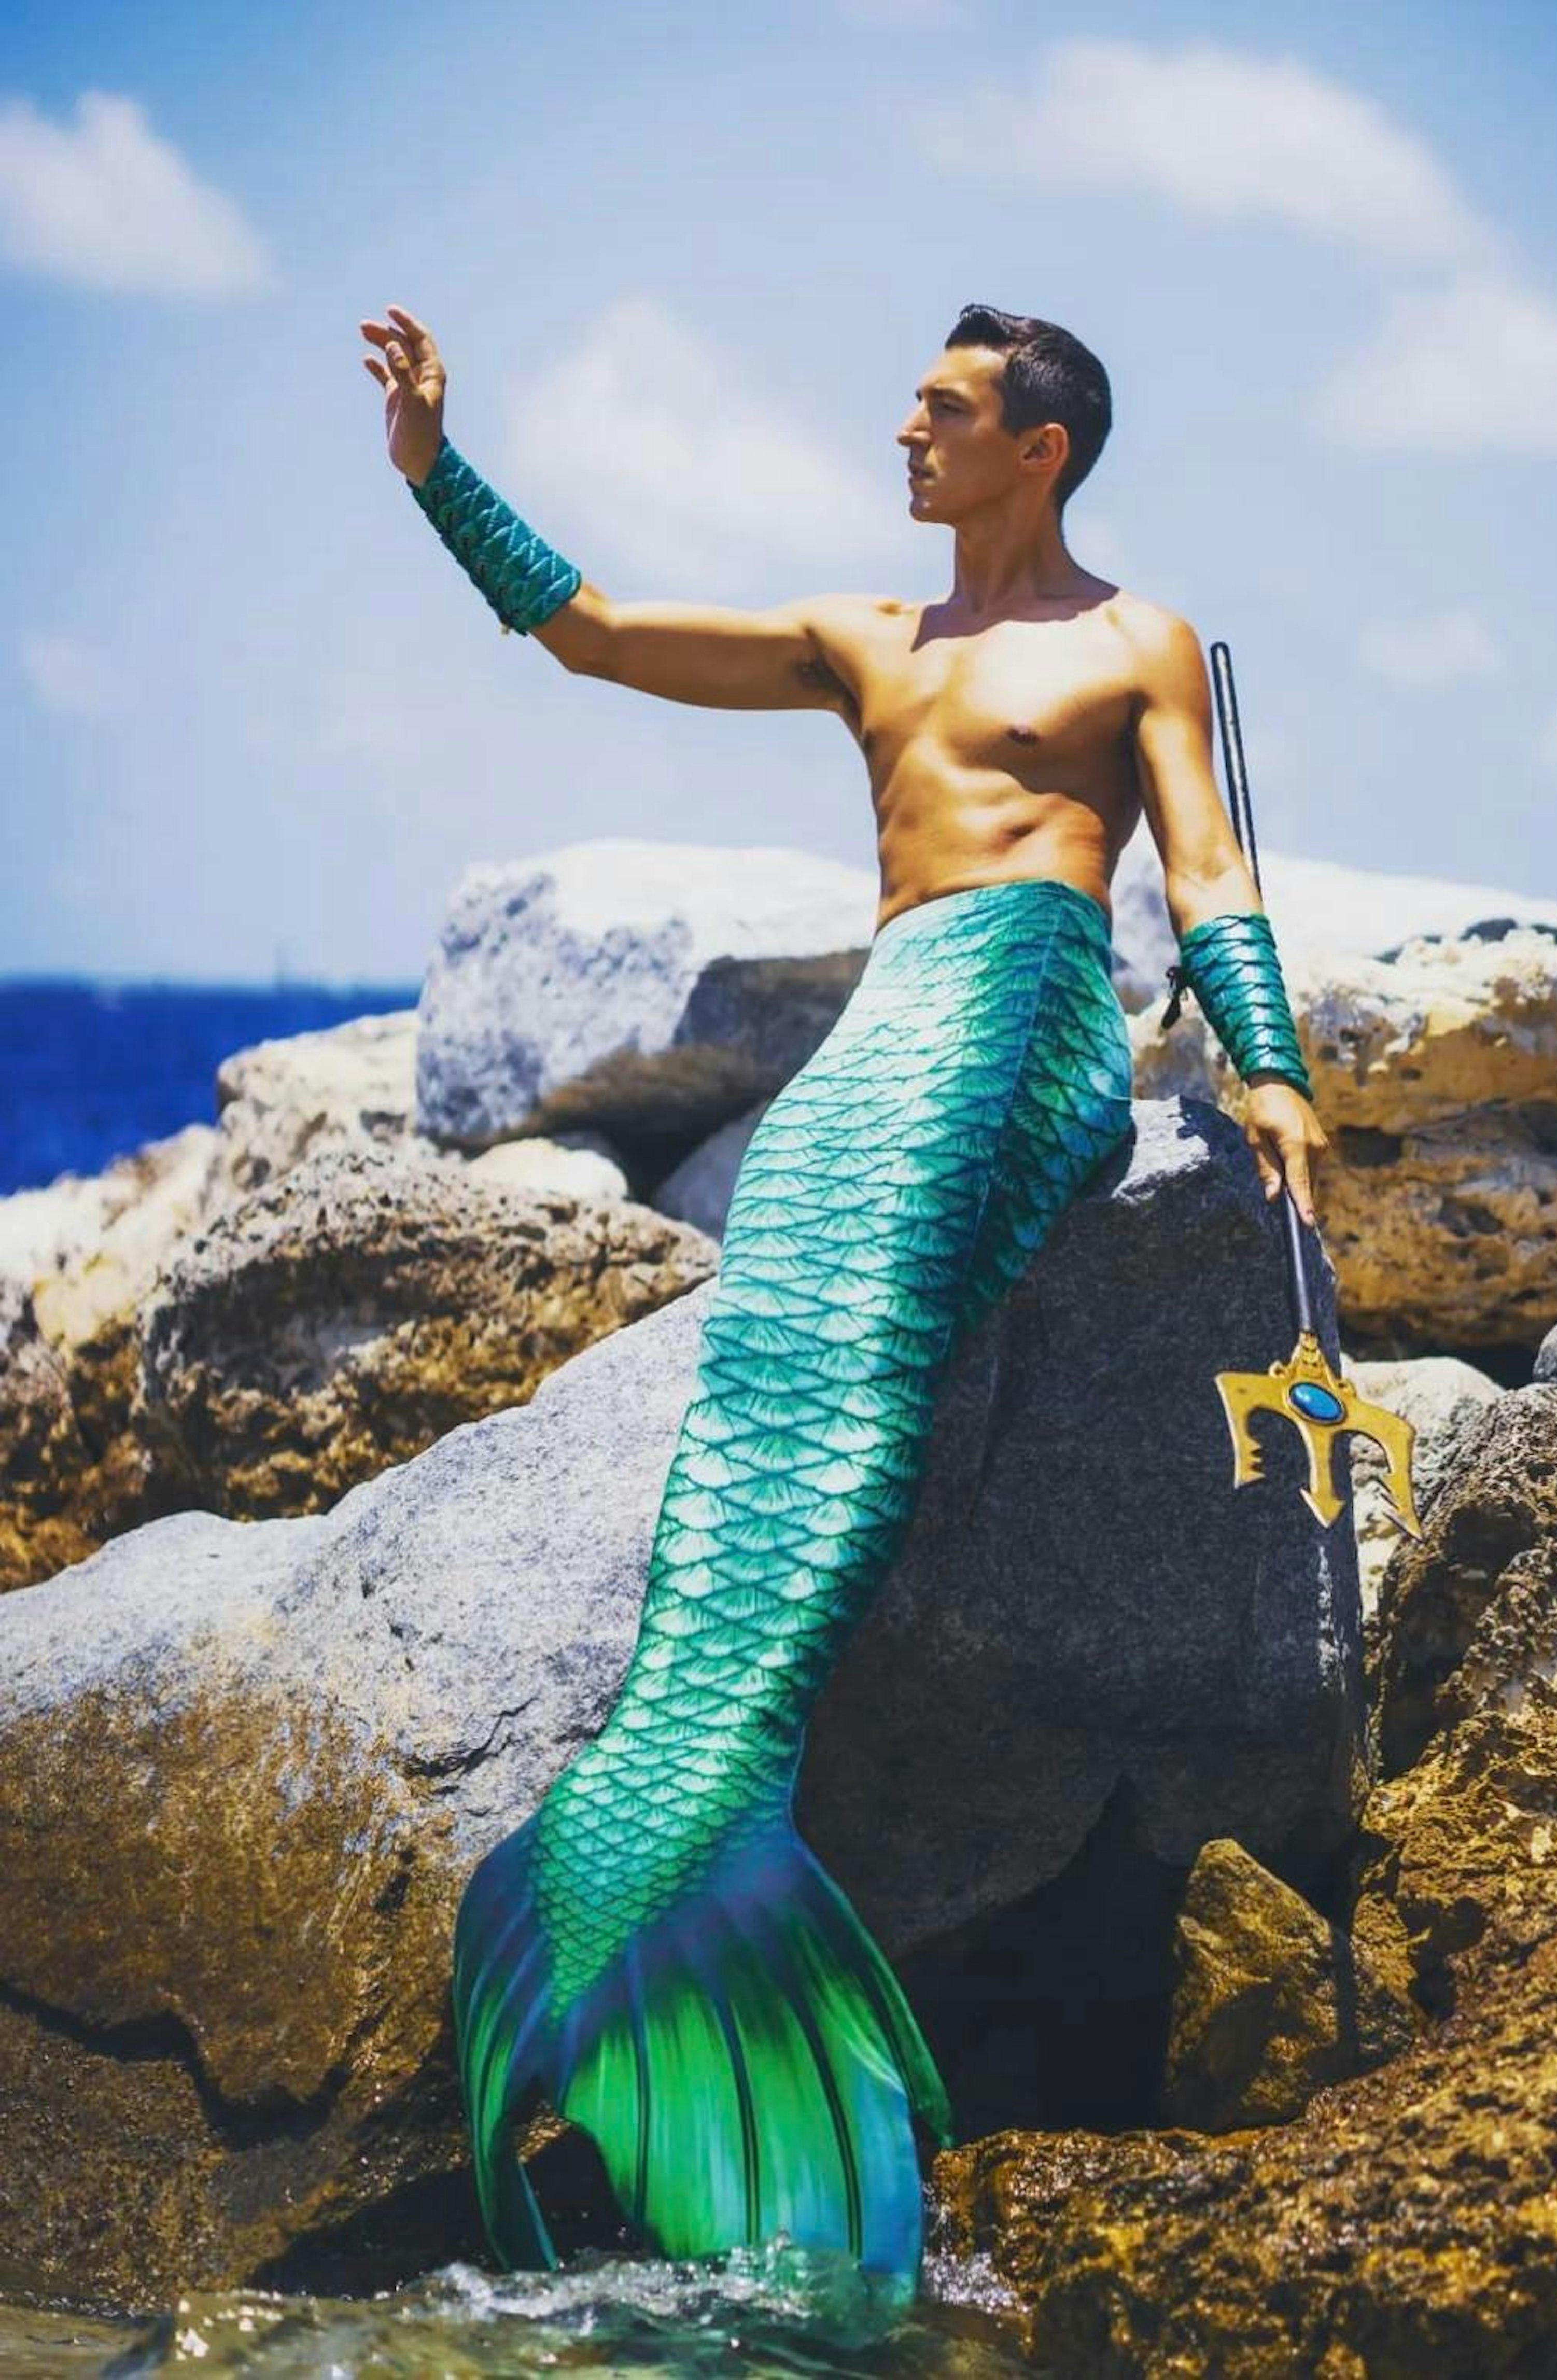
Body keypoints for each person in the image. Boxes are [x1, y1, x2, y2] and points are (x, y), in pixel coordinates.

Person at [359, 297, 1330, 2302]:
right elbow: (596, 631)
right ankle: (682, 1834)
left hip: (1031, 1014)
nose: (906, 431)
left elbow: (1212, 873)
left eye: (946, 410)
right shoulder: (865, 642)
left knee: (880, 1227)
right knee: (799, 1192)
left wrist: (1271, 1057)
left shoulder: (1132, 640)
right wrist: (443, 476)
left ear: (1039, 446)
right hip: (886, 1026)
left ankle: (686, 1865)